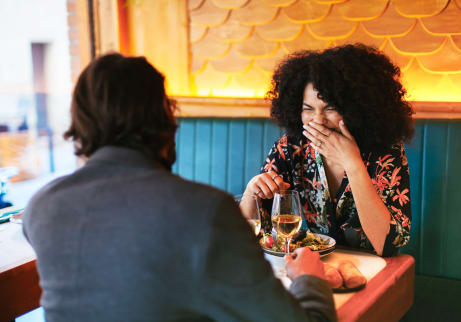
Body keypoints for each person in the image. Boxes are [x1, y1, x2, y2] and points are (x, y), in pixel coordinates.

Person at [22, 53, 337, 322]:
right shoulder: (205, 210)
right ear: (165, 121)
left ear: (79, 125)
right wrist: (310, 277)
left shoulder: (40, 208)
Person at [244, 44, 414, 257]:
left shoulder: (384, 151)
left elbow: (387, 244)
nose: (318, 120)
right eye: (308, 109)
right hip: (313, 266)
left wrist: (353, 164)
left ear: (356, 108)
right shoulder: (290, 149)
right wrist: (252, 191)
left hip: (375, 268)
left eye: (330, 108)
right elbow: (244, 236)